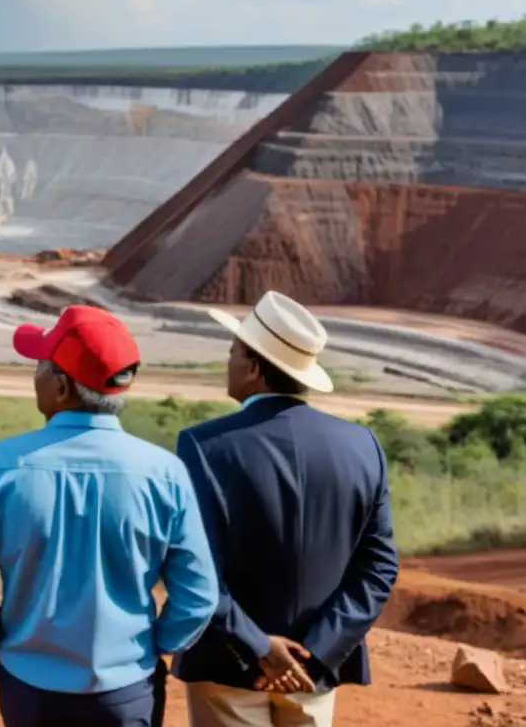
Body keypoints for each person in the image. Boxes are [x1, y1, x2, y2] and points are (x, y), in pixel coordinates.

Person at [0, 304, 220, 727]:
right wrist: (152, 644)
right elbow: (198, 596)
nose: (33, 373)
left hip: (28, 687)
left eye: (39, 363)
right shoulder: (165, 473)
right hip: (127, 690)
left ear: (60, 386)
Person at [174, 290, 400, 727]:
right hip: (312, 673)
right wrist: (317, 651)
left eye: (233, 351)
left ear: (255, 368)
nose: (228, 361)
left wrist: (260, 647)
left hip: (226, 665)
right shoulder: (362, 446)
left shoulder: (204, 445)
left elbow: (196, 568)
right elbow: (378, 568)